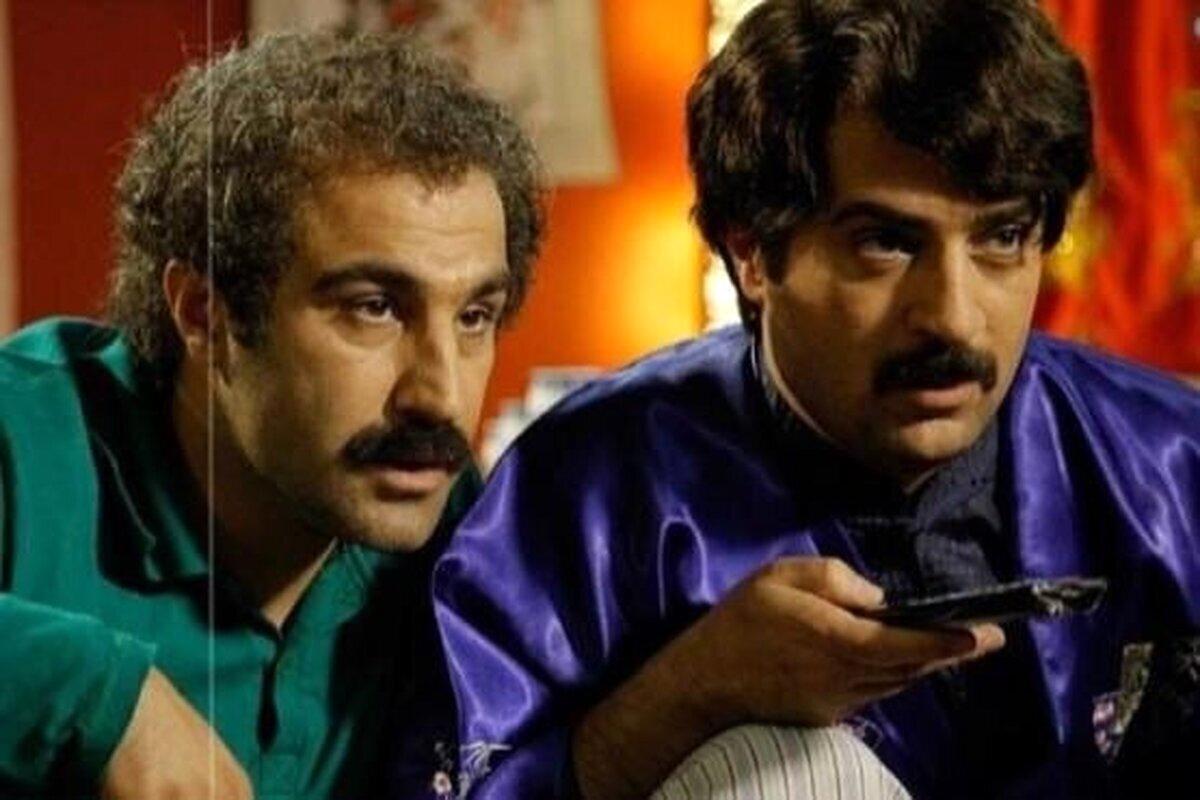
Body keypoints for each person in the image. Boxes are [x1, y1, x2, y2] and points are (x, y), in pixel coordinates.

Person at [433, 0, 1200, 797]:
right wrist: (687, 697)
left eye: (1001, 238)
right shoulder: (581, 495)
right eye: (885, 243)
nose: (954, 317)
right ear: (752, 253)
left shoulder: (1171, 467)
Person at [0, 30, 546, 798]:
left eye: (474, 316)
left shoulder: (441, 520)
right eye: (374, 307)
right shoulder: (22, 440)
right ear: (205, 314)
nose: (441, 396)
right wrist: (94, 696)